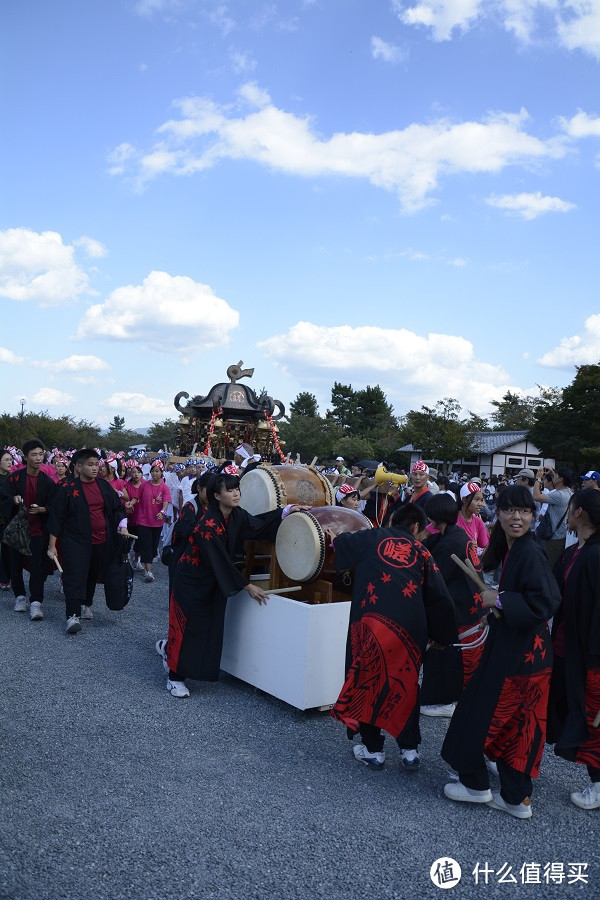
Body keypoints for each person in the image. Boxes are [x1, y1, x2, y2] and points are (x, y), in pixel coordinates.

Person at [441, 485, 561, 820]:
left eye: (524, 511)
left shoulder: (531, 552)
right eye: (509, 510)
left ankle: (477, 785)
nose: (516, 517)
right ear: (499, 513)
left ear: (533, 515)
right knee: (517, 725)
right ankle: (516, 797)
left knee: (482, 714)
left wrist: (501, 600)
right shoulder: (513, 547)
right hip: (520, 651)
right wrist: (497, 603)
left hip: (521, 655)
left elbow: (547, 600)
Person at [159, 463, 307, 698]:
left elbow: (258, 525)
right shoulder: (207, 524)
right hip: (191, 581)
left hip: (212, 582)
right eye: (230, 490)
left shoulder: (237, 514)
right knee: (187, 628)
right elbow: (219, 561)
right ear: (217, 496)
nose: (236, 493)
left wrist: (285, 512)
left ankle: (175, 657)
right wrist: (247, 585)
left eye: (237, 488)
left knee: (208, 629)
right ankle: (174, 677)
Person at [330, 503, 456, 770]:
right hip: (408, 631)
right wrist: (441, 636)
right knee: (406, 685)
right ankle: (409, 751)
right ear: (415, 528)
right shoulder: (422, 551)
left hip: (371, 625)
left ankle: (373, 750)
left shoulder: (370, 537)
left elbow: (339, 541)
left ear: (393, 521)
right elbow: (441, 598)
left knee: (369, 681)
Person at [547, 489, 600, 810]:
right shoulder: (572, 553)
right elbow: (550, 592)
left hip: (589, 656)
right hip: (563, 649)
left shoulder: (595, 555)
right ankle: (513, 759)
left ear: (578, 512)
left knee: (590, 717)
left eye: (569, 509)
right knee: (553, 709)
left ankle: (597, 784)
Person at [47, 449, 128, 634]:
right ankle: (72, 615)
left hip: (101, 540)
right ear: (78, 466)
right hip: (74, 541)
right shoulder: (67, 487)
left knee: (92, 574)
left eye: (96, 464)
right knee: (74, 575)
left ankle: (87, 604)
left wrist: (122, 525)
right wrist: (52, 545)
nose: (94, 468)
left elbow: (117, 508)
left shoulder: (103, 485)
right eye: (90, 465)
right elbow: (56, 517)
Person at [421, 493, 488, 717]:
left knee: (448, 656)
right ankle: (452, 698)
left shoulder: (449, 542)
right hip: (472, 605)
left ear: (434, 515)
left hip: (460, 608)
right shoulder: (455, 535)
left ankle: (449, 701)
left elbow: (434, 582)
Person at [0, 439, 57, 619]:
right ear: (25, 457)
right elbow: (2, 499)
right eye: (34, 454)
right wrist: (13, 500)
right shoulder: (14, 478)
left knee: (37, 567)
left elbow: (54, 506)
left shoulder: (48, 482)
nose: (38, 458)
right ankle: (20, 597)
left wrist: (42, 509)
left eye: (41, 454)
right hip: (17, 529)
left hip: (38, 530)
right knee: (15, 565)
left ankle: (36, 602)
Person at [136, 460, 171, 583]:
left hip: (157, 521)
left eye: (157, 471)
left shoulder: (164, 487)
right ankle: (148, 571)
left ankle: (144, 562)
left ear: (161, 473)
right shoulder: (144, 485)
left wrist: (162, 512)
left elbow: (166, 502)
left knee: (153, 546)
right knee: (146, 545)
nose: (154, 473)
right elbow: (137, 497)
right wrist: (131, 503)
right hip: (143, 519)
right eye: (152, 471)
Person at [533, 465, 574, 568]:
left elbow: (536, 496)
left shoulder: (559, 495)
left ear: (561, 479)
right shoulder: (568, 491)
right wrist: (552, 472)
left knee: (550, 566)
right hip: (561, 534)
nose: (553, 477)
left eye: (556, 476)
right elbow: (558, 483)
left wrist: (538, 478)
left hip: (554, 538)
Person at [457, 482, 489, 553]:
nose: (480, 504)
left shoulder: (478, 521)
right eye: (476, 500)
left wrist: (477, 549)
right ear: (464, 500)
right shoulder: (452, 519)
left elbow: (486, 546)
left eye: (481, 500)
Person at [0, 448, 13, 590]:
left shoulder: (12, 478)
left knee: (6, 550)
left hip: (7, 519)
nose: (10, 462)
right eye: (6, 460)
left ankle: (4, 578)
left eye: (10, 459)